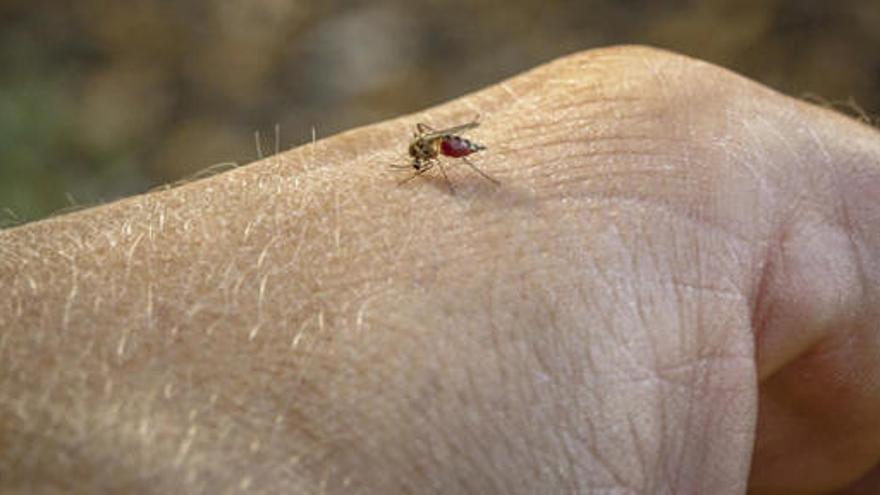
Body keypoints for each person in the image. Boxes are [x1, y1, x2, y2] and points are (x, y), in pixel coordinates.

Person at [1, 46, 878, 494]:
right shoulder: (434, 158)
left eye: (438, 153)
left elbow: (443, 150)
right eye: (437, 153)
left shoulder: (441, 154)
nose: (436, 155)